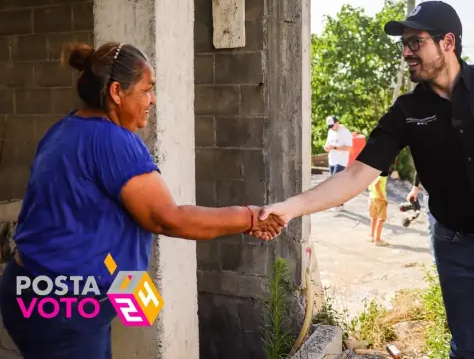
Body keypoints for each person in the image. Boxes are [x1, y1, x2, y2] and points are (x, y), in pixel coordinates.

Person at [260, 1, 474, 359]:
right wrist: (291, 207)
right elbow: (357, 174)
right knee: (466, 350)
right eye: (404, 44)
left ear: (447, 42)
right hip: (456, 246)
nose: (406, 52)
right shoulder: (407, 111)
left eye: (415, 42)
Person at [0, 42, 285, 359]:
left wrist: (133, 295)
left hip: (31, 289)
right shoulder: (113, 140)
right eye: (147, 90)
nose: (153, 100)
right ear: (117, 92)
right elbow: (166, 219)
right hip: (66, 307)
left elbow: (92, 226)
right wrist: (249, 217)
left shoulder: (63, 129)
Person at [323, 115, 353, 211]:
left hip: (341, 161)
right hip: (332, 160)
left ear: (337, 122)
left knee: (334, 183)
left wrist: (335, 148)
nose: (331, 128)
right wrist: (327, 148)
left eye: (332, 126)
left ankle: (336, 204)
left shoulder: (345, 132)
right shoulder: (330, 131)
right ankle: (340, 204)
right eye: (330, 126)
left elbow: (349, 148)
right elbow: (327, 145)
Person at [407, 172, 435, 261]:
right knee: (433, 225)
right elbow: (419, 165)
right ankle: (436, 261)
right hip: (429, 193)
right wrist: (415, 188)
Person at [367, 173, 389, 246]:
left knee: (374, 217)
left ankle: (371, 236)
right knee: (381, 219)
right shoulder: (383, 173)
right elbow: (377, 185)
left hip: (371, 197)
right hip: (379, 199)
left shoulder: (373, 171)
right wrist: (383, 197)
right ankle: (377, 240)